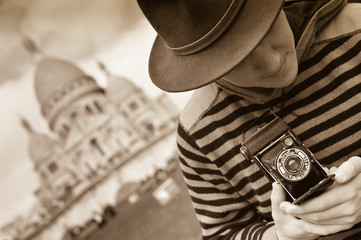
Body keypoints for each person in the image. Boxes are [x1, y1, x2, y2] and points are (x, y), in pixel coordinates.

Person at [136, 0, 361, 239]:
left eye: (266, 26)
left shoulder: (356, 29)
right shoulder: (197, 132)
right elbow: (223, 234)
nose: (273, 62)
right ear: (200, 67)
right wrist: (280, 235)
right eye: (237, 57)